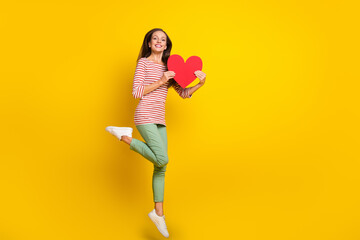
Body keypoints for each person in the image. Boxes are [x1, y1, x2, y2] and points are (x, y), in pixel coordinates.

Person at [105, 28, 206, 238]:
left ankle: (158, 214)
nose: (159, 41)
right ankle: (125, 136)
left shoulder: (172, 67)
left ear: (167, 45)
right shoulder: (144, 63)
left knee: (160, 167)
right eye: (155, 39)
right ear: (149, 43)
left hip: (160, 120)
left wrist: (200, 83)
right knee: (163, 158)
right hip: (145, 115)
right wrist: (162, 80)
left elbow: (183, 93)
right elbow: (137, 92)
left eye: (163, 39)